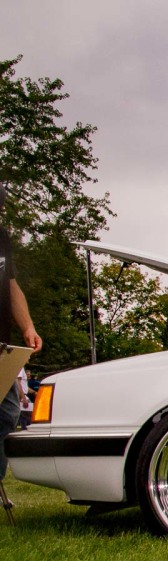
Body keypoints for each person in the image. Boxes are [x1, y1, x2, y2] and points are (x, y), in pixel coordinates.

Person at [0, 182, 44, 478]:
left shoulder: (2, 238)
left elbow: (11, 285)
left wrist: (27, 326)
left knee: (8, 413)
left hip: (3, 344)